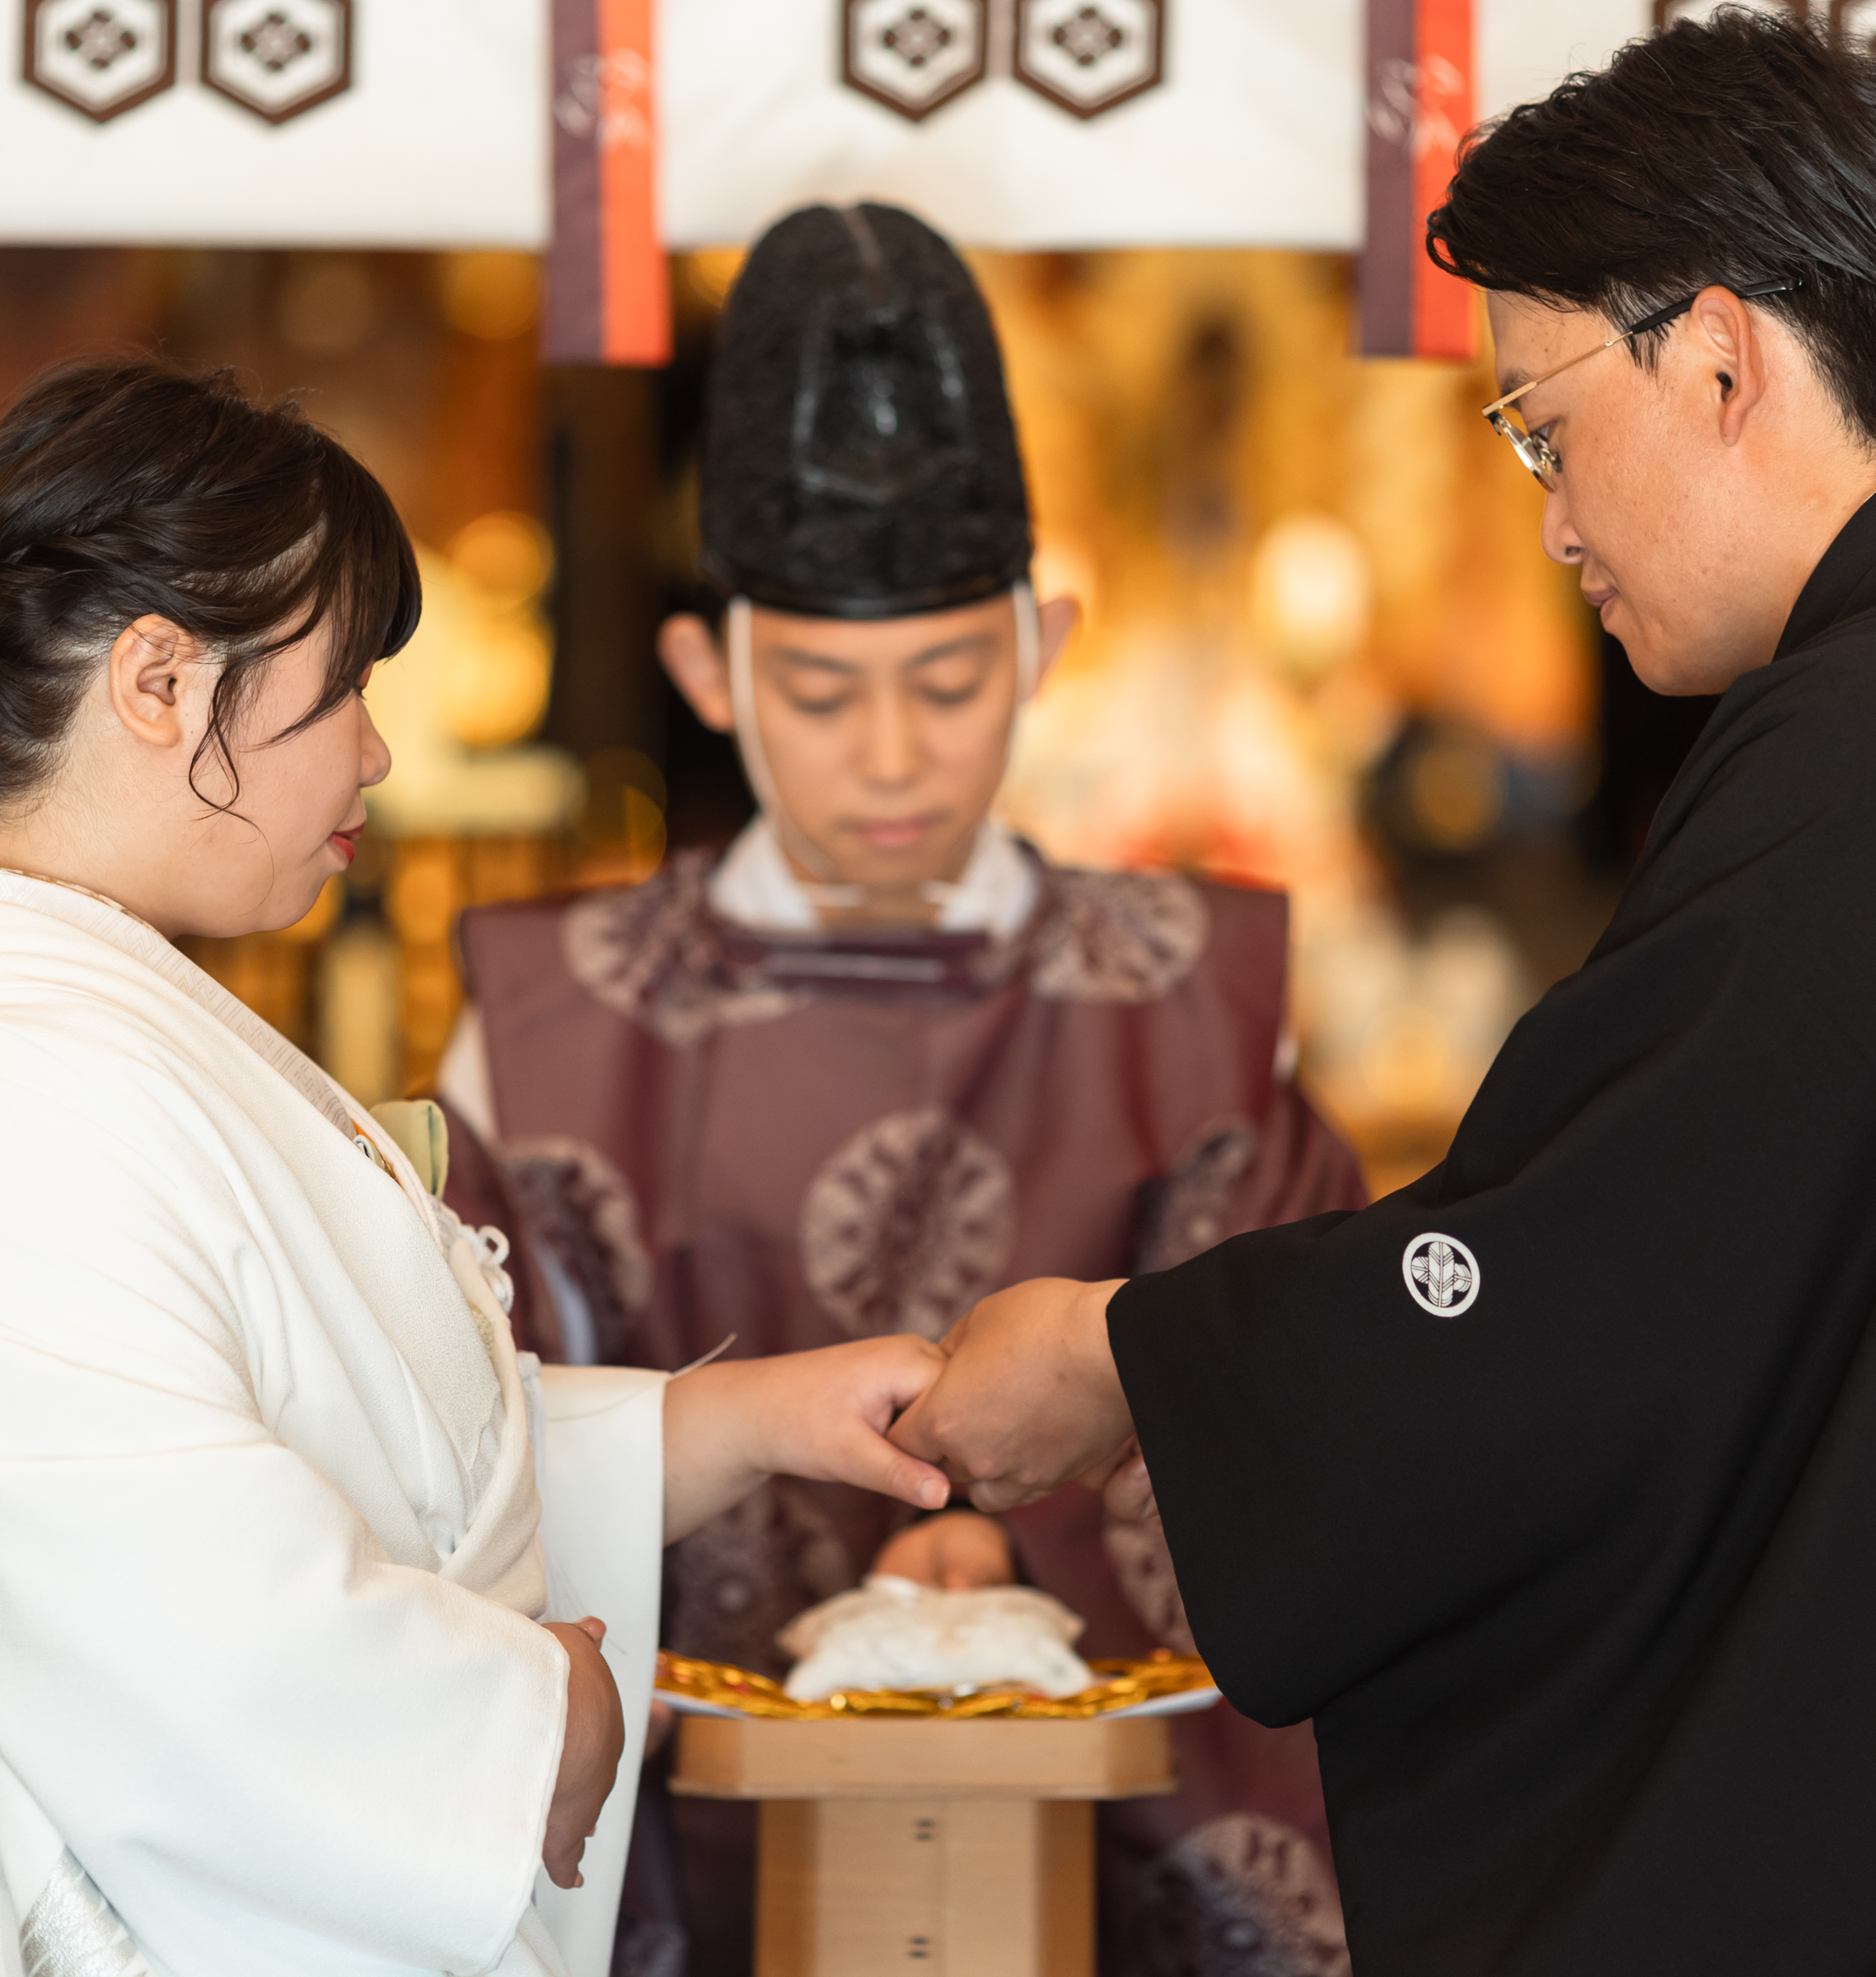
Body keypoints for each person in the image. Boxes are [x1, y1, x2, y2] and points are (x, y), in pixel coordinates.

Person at [894, 16, 1876, 1975]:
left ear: (1722, 359)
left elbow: (1606, 1277)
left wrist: (1135, 1366)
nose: (1552, 522)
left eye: (1549, 432)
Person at [0, 358, 956, 1975]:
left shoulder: (33, 1068)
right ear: (156, 681)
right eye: (343, 684)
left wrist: (726, 1423)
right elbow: (174, 1619)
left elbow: (272, 1439)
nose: (376, 752)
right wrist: (529, 1717)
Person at [437, 203, 1364, 1976]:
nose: (887, 758)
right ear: (708, 671)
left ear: (1042, 641)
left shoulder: (1209, 1005)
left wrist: (1031, 1588)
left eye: (946, 684)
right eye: (820, 688)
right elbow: (466, 1463)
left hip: (1124, 1854)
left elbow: (1314, 1430)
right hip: (688, 1859)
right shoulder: (546, 1025)